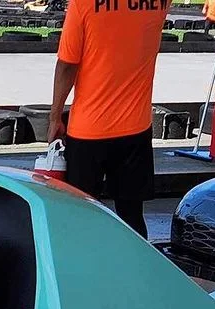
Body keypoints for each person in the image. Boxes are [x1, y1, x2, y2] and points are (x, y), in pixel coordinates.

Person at [47, 0, 173, 239]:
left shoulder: (83, 3)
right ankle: (137, 271)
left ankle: (87, 271)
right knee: (132, 216)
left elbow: (67, 65)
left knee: (81, 216)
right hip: (136, 129)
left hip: (88, 131)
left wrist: (55, 117)